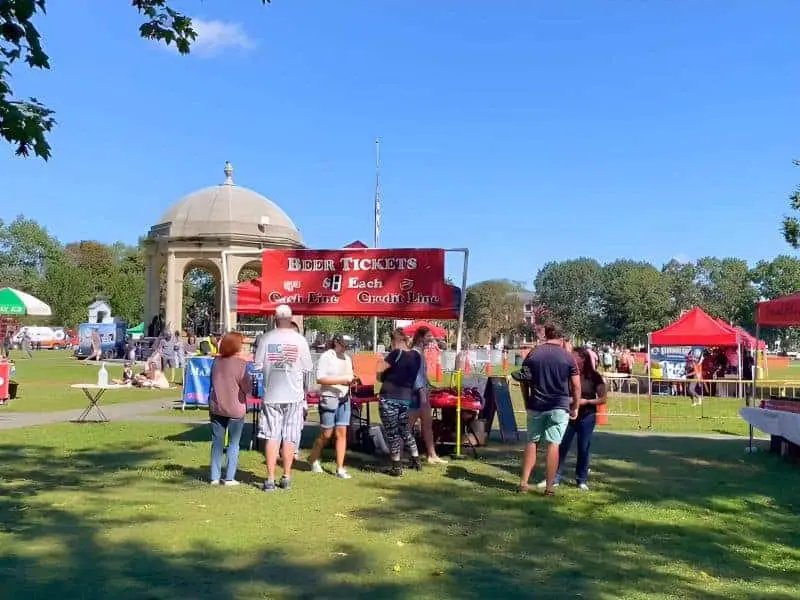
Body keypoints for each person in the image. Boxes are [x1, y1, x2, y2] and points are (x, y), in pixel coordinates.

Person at [253, 304, 313, 492]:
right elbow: (308, 368)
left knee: (272, 436)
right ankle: (286, 475)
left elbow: (256, 366)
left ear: (275, 317)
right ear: (291, 317)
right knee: (290, 436)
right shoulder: (299, 340)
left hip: (271, 394)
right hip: (294, 395)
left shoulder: (266, 338)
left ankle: (270, 478)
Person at [519, 322, 580, 496]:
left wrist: (526, 400)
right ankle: (549, 488)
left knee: (532, 442)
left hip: (536, 404)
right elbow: (576, 386)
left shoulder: (533, 353)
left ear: (546, 335)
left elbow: (523, 379)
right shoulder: (567, 357)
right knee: (554, 444)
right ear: (561, 338)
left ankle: (523, 483)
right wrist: (574, 407)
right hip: (559, 406)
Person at [548, 347, 607, 491]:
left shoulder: (594, 376)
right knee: (561, 446)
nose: (570, 359)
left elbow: (603, 398)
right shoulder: (567, 374)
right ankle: (555, 477)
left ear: (583, 358)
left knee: (584, 447)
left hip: (587, 416)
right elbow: (558, 393)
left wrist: (586, 402)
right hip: (568, 415)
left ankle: (581, 479)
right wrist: (570, 400)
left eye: (574, 357)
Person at [377, 328, 423, 477]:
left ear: (395, 340)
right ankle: (416, 459)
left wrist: (380, 361)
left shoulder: (396, 353)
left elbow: (379, 372)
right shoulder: (416, 356)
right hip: (405, 397)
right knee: (405, 430)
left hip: (389, 397)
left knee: (392, 432)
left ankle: (396, 466)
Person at [308, 333, 355, 479]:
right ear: (337, 343)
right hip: (329, 397)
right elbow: (321, 378)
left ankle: (340, 468)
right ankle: (314, 458)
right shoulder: (327, 356)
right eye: (344, 345)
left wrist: (352, 381)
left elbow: (349, 376)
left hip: (344, 398)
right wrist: (341, 380)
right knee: (326, 434)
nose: (346, 348)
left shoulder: (347, 358)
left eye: (347, 346)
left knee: (342, 433)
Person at [208, 332, 252, 486]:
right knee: (234, 443)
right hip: (235, 409)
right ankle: (229, 477)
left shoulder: (216, 362)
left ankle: (214, 476)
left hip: (217, 407)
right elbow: (247, 388)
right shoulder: (241, 365)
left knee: (217, 442)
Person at [408, 327, 447, 465]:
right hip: (415, 396)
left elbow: (423, 377)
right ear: (420, 337)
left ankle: (432, 455)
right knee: (407, 427)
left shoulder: (421, 353)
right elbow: (415, 378)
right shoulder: (414, 354)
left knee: (427, 425)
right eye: (428, 336)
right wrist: (422, 394)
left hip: (423, 394)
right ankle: (397, 454)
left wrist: (434, 388)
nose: (431, 339)